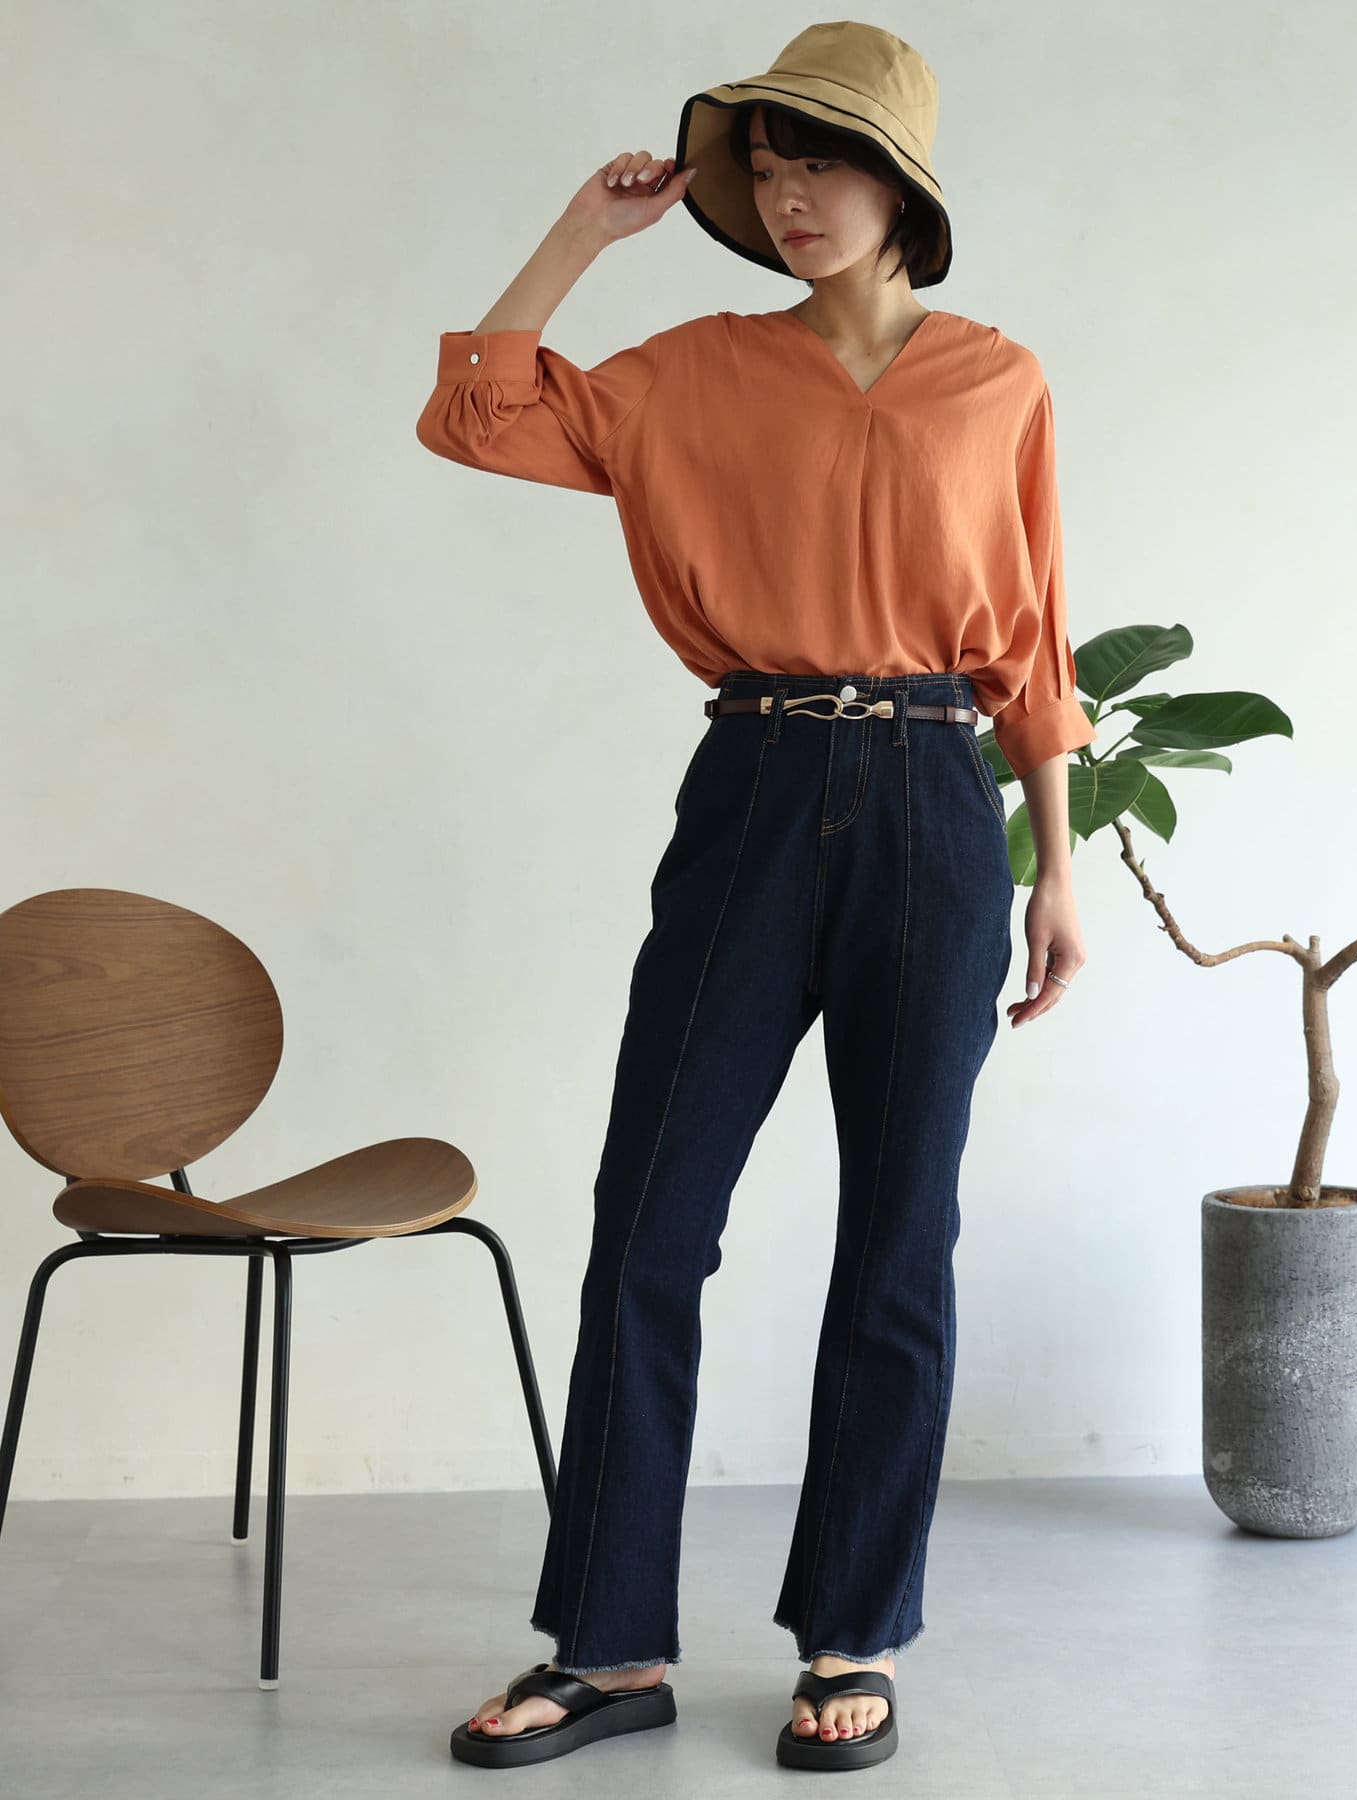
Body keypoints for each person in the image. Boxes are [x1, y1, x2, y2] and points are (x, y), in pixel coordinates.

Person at [419, 22, 1096, 1774]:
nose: (792, 197)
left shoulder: (1000, 382)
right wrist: (582, 234)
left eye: (826, 164)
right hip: (754, 791)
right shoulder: (691, 371)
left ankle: (852, 1634)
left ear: (903, 186)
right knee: (649, 1220)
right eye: (771, 170)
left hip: (938, 810)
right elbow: (478, 414)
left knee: (899, 1233)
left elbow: (1032, 639)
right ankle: (608, 1647)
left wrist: (1057, 867)